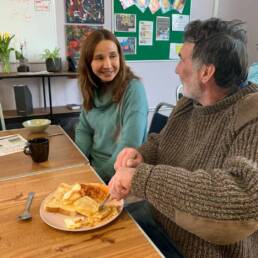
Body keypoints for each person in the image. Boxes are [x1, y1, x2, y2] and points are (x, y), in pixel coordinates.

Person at [108, 18, 258, 258]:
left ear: (206, 72)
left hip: (198, 251)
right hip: (159, 223)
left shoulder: (251, 115)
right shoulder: (189, 102)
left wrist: (143, 178)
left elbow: (242, 198)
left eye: (181, 60)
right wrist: (141, 154)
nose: (176, 69)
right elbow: (163, 143)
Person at [75, 29, 148, 183]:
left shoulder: (134, 90)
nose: (108, 65)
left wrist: (96, 177)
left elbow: (129, 145)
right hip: (93, 170)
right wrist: (79, 165)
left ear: (120, 58)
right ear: (89, 63)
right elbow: (84, 130)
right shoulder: (92, 88)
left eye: (113, 56)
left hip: (122, 177)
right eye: (99, 58)